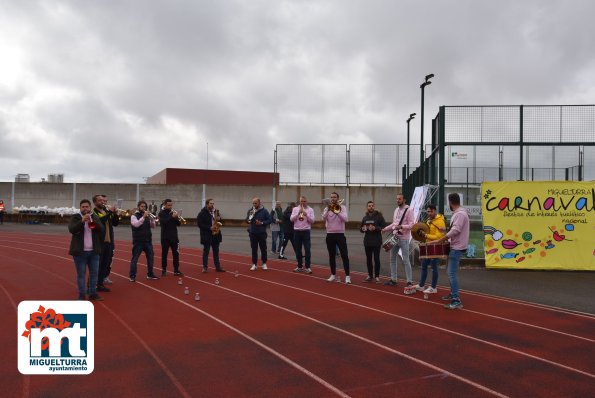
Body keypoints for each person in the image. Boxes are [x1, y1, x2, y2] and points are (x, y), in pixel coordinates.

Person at [430, 193, 469, 310]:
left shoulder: (460, 214)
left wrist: (441, 239)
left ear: (450, 202)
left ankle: (457, 300)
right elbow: (456, 228)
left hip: (457, 247)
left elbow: (456, 230)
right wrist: (446, 229)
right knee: (449, 271)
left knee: (451, 273)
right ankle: (453, 294)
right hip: (455, 246)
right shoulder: (459, 213)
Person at [68, 199, 105, 301]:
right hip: (80, 252)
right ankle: (81, 295)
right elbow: (72, 229)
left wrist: (92, 222)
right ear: (80, 208)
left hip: (94, 252)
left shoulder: (94, 217)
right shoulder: (75, 217)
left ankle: (92, 293)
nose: (85, 208)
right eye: (83, 207)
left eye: (87, 207)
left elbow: (101, 229)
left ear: (90, 207)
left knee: (94, 274)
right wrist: (82, 221)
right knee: (81, 274)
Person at [381, 193, 415, 288]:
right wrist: (385, 229)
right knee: (392, 259)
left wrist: (402, 226)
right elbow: (394, 224)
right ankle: (393, 279)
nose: (397, 201)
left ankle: (409, 281)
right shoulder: (396, 210)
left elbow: (412, 225)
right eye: (397, 199)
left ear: (404, 200)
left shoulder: (409, 210)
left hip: (404, 238)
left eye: (399, 199)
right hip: (395, 238)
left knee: (406, 260)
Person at [412, 204, 446, 295]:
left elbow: (440, 236)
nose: (429, 213)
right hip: (427, 246)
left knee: (434, 268)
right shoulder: (428, 220)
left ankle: (433, 287)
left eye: (431, 211)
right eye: (428, 211)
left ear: (435, 211)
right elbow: (425, 231)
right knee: (424, 266)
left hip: (436, 247)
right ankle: (421, 285)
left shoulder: (440, 222)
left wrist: (426, 236)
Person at [322, 192, 351, 283]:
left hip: (340, 234)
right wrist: (328, 210)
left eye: (334, 197)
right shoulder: (327, 208)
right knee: (331, 256)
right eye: (331, 197)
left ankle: (347, 276)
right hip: (330, 234)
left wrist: (337, 212)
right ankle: (333, 275)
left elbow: (346, 219)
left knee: (344, 255)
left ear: (338, 198)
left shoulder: (342, 208)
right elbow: (323, 218)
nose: (332, 199)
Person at [92, 195, 119, 292]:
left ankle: (100, 284)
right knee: (97, 265)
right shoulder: (94, 213)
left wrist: (115, 214)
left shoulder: (107, 211)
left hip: (109, 242)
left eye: (103, 200)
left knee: (105, 264)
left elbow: (115, 223)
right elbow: (99, 222)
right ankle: (91, 283)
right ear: (95, 202)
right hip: (100, 242)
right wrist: (110, 212)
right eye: (100, 200)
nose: (102, 202)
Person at [129, 200, 159, 282]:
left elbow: (153, 226)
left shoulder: (147, 216)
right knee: (135, 259)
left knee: (150, 258)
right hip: (138, 241)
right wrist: (143, 217)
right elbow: (136, 225)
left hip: (147, 241)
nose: (143, 208)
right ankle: (132, 275)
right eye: (142, 206)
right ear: (138, 207)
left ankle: (150, 274)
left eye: (145, 207)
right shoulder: (134, 216)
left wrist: (152, 220)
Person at [360, 201, 386, 283]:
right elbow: (361, 229)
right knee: (368, 259)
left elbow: (384, 227)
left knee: (376, 259)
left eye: (372, 206)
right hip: (367, 242)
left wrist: (375, 228)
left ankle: (377, 277)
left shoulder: (379, 216)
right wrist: (363, 229)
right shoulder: (365, 218)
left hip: (376, 241)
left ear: (374, 207)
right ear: (367, 207)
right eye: (369, 206)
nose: (371, 207)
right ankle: (370, 275)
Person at [197, 198, 225, 273]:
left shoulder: (216, 211)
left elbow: (220, 221)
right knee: (206, 252)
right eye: (210, 203)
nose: (212, 205)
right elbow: (200, 224)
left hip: (216, 235)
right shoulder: (202, 213)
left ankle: (218, 267)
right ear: (207, 204)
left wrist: (219, 219)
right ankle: (205, 267)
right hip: (207, 235)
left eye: (213, 204)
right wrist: (209, 228)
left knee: (216, 252)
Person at [290, 196, 315, 274]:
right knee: (298, 250)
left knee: (307, 249)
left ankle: (307, 267)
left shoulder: (310, 209)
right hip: (297, 231)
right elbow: (291, 219)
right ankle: (299, 266)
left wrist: (306, 214)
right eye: (301, 201)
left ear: (306, 202)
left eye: (304, 201)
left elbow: (312, 221)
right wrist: (298, 213)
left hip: (306, 231)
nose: (303, 203)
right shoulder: (295, 209)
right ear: (299, 201)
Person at [159, 199, 183, 276]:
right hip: (165, 237)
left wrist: (177, 217)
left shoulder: (173, 213)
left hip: (174, 237)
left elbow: (178, 224)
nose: (170, 206)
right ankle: (164, 270)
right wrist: (171, 216)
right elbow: (163, 223)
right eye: (169, 205)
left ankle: (176, 270)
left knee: (176, 254)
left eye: (171, 205)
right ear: (165, 205)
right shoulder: (161, 213)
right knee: (164, 254)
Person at [246, 197, 272, 271]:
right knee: (254, 249)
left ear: (259, 203)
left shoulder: (265, 211)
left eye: (255, 203)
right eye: (253, 203)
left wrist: (262, 223)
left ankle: (264, 263)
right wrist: (249, 219)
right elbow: (246, 220)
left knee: (263, 249)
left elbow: (269, 220)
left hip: (262, 233)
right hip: (253, 233)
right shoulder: (250, 210)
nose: (254, 204)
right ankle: (254, 264)